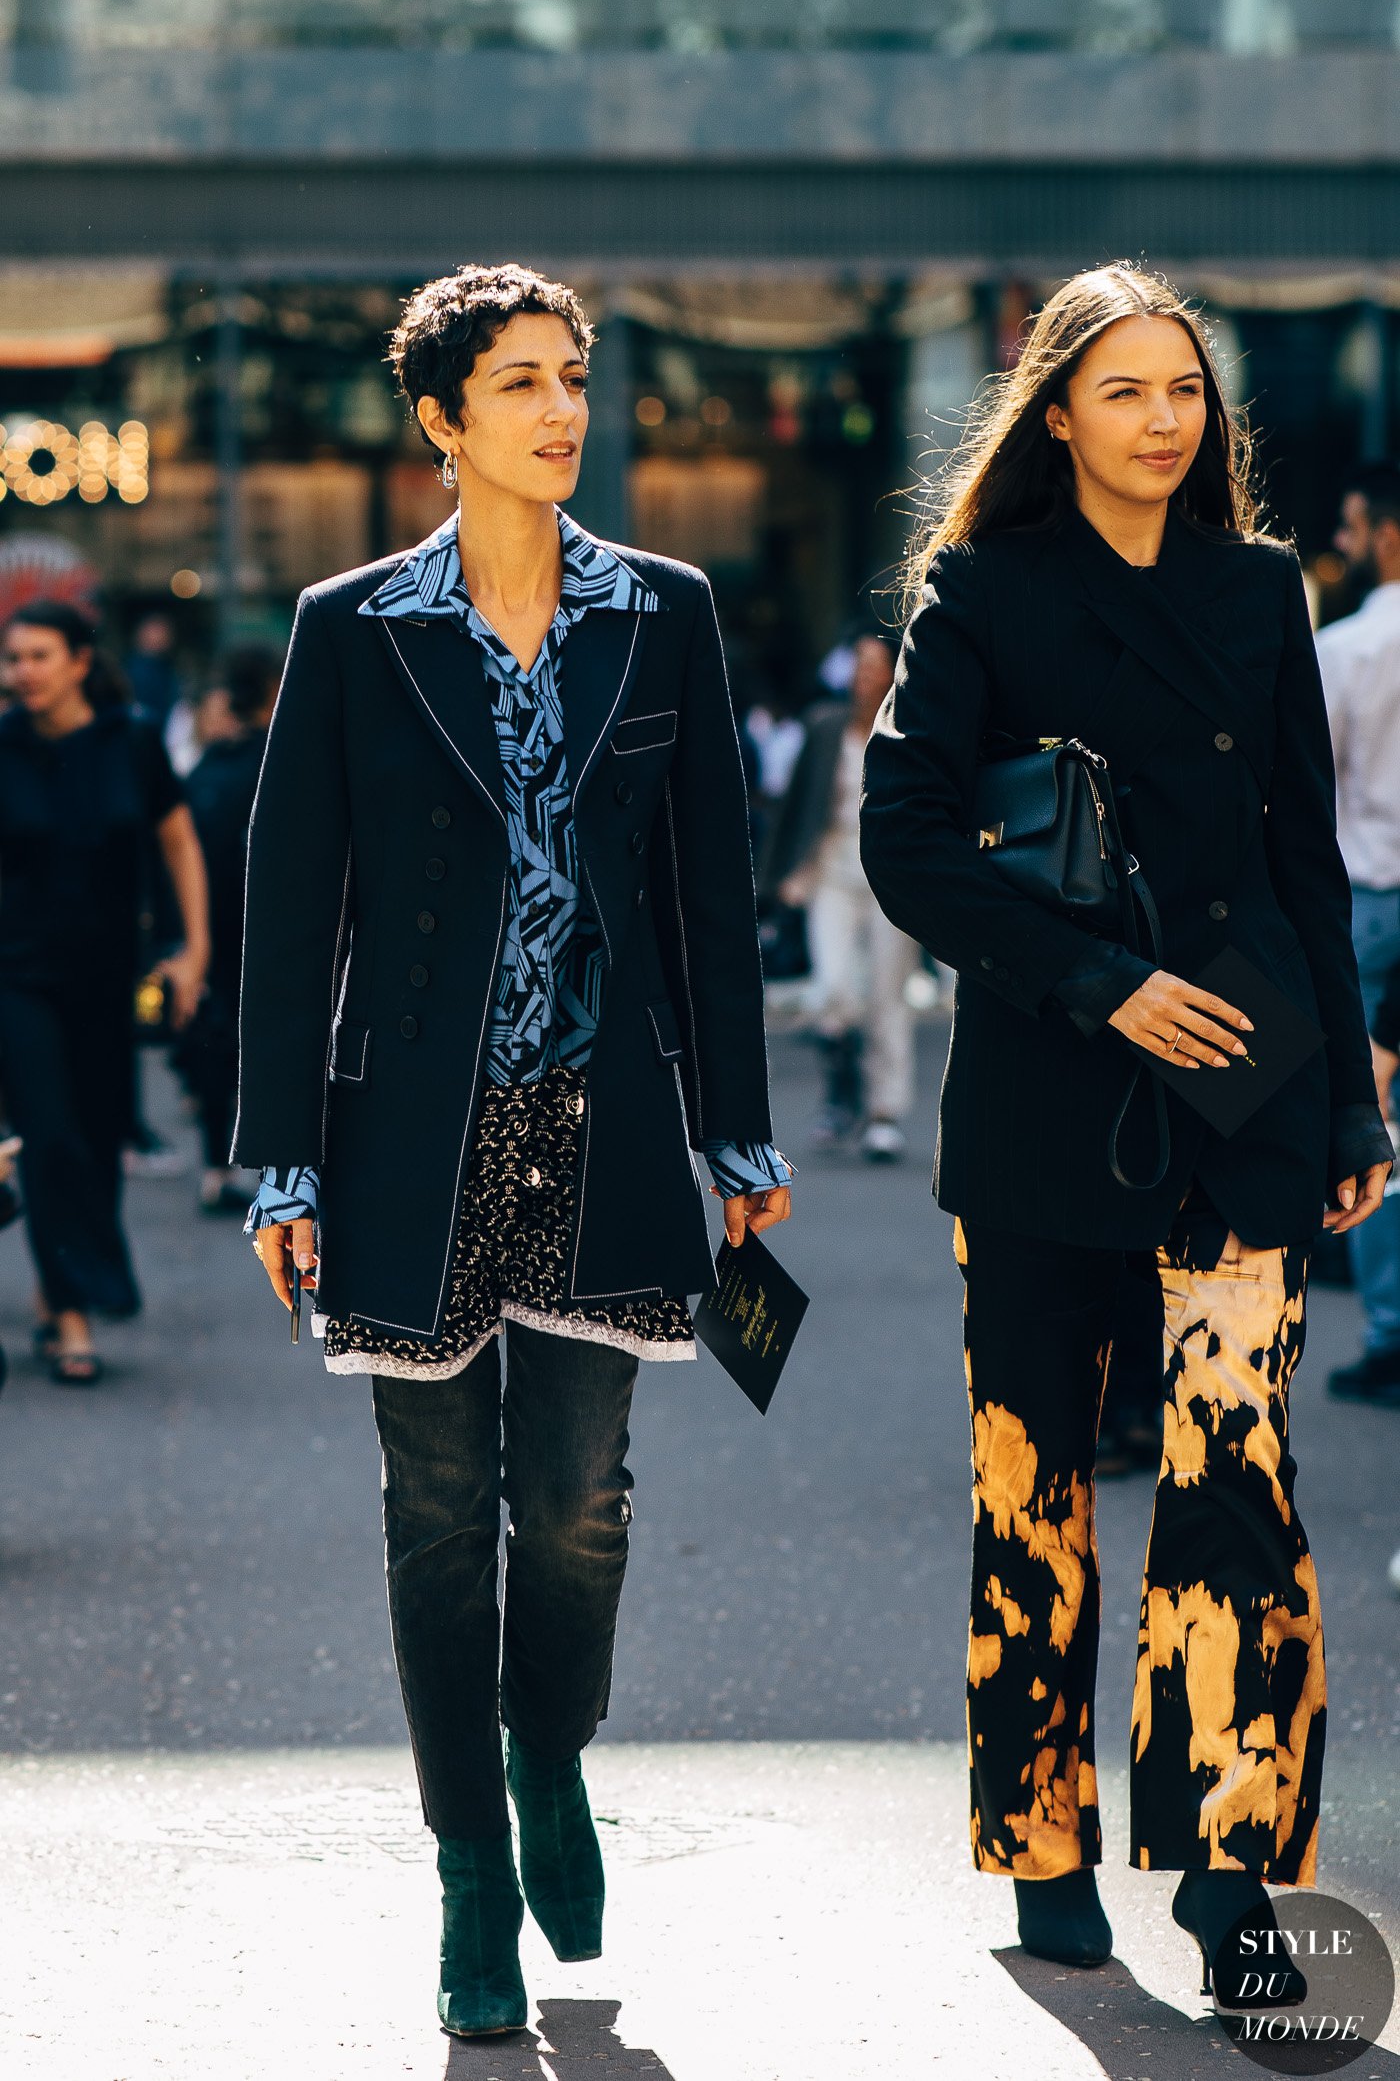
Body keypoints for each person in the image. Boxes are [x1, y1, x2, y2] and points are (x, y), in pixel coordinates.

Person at [233, 263, 793, 2040]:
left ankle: (547, 1754)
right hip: (410, 1133)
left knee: (572, 1511)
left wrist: (739, 1129)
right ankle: (471, 1865)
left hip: (605, 1124)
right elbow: (288, 903)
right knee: (434, 1521)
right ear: (441, 420)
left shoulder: (664, 612)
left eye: (574, 377)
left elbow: (709, 888)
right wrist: (280, 1162)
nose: (562, 410)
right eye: (523, 384)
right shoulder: (356, 626)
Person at [860, 264, 1390, 2008]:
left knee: (1238, 1479)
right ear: (1059, 414)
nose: (1166, 421)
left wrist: (1351, 1100)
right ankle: (1043, 1834)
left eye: (1189, 393)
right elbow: (909, 841)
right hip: (1041, 1105)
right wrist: (1100, 984)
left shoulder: (1259, 592)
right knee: (1036, 1485)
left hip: (1246, 1085)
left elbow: (1306, 855)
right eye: (1129, 391)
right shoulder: (983, 593)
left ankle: (1235, 1863)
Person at [0, 601, 209, 1382]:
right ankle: (73, 1313)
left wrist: (195, 950)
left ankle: (70, 1282)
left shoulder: (134, 740)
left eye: (38, 656)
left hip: (106, 976)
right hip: (15, 975)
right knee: (48, 1133)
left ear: (80, 661)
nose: (21, 672)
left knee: (95, 1134)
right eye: (13, 658)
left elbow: (179, 842)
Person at [759, 631, 918, 1159]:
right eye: (858, 665)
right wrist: (779, 876)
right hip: (831, 872)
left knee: (886, 998)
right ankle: (843, 1090)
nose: (864, 675)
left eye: (876, 666)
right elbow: (794, 806)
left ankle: (883, 1114)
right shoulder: (825, 728)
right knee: (832, 989)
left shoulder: (910, 731)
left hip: (892, 880)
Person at [1315, 462, 1400, 1401]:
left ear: (1385, 533)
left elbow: (1309, 791)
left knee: (1374, 1115)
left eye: (1349, 525)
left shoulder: (1346, 648)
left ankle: (1391, 1331)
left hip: (1372, 903)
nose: (1341, 543)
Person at [176, 647, 282, 1212]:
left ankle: (218, 1168)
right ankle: (279, 1175)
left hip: (210, 933)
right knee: (272, 1050)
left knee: (218, 1048)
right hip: (268, 933)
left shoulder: (208, 769)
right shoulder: (280, 759)